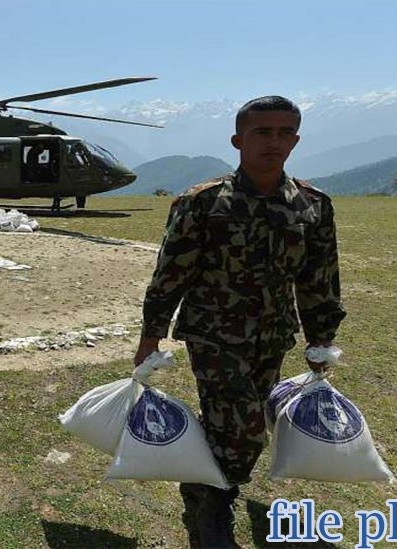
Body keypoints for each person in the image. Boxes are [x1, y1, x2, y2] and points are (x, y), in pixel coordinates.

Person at [132, 96, 346, 548]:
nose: (275, 142)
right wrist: (151, 336)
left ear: (296, 139)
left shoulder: (312, 205)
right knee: (244, 428)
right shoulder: (203, 203)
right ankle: (210, 503)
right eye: (262, 132)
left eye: (285, 132)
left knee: (229, 422)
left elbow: (319, 278)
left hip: (273, 335)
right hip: (214, 333)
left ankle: (203, 480)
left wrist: (321, 339)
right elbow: (171, 273)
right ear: (238, 140)